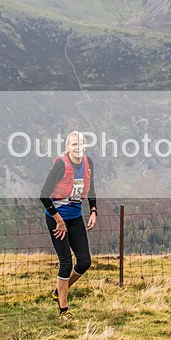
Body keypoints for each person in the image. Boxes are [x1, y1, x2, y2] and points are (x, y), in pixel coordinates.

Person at [40, 130, 97, 322]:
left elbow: (92, 188)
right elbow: (43, 195)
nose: (78, 148)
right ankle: (64, 310)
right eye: (74, 144)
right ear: (67, 148)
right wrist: (58, 219)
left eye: (81, 144)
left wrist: (94, 211)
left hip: (75, 218)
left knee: (84, 262)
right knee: (66, 263)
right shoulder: (60, 165)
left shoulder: (88, 163)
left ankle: (58, 291)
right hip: (57, 219)